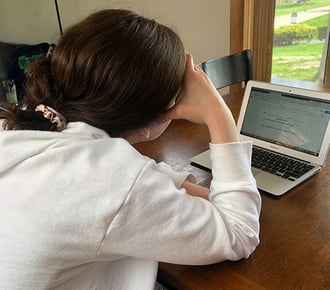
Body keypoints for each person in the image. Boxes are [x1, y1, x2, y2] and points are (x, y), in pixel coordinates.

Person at [0, 9, 261, 290]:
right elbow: (240, 233)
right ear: (155, 115)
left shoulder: (32, 121)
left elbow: (115, 183)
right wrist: (217, 114)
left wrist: (187, 189)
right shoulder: (107, 179)